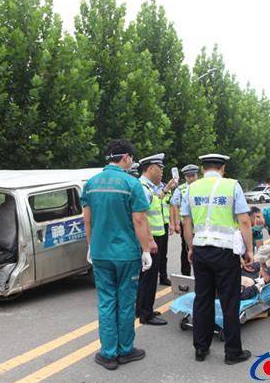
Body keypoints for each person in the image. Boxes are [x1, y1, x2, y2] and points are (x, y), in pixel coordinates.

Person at [81, 139, 157, 370]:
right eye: (131, 158)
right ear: (125, 157)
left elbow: (87, 219)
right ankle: (125, 350)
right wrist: (146, 250)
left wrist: (90, 246)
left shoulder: (91, 184)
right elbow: (140, 220)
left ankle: (107, 353)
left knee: (106, 302)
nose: (131, 162)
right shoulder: (131, 184)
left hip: (101, 253)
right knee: (125, 302)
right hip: (126, 255)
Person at [181, 153, 253, 364]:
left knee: (202, 299)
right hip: (225, 251)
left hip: (201, 249)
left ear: (203, 169)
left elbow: (187, 223)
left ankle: (200, 349)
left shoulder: (191, 188)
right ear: (222, 168)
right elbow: (244, 221)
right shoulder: (232, 186)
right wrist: (249, 251)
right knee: (229, 301)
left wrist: (191, 248)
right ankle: (232, 353)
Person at [136, 153, 177, 325]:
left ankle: (142, 309)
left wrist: (166, 188)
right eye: (160, 169)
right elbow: (141, 217)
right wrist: (149, 240)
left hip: (154, 237)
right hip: (149, 239)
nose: (161, 172)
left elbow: (157, 200)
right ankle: (146, 314)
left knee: (147, 276)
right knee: (149, 277)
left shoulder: (150, 187)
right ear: (151, 168)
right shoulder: (143, 188)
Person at [170, 164, 199, 276]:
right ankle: (185, 274)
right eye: (188, 176)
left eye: (193, 176)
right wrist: (177, 223)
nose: (191, 178)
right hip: (186, 224)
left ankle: (200, 273)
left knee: (201, 249)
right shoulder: (180, 189)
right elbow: (175, 205)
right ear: (185, 177)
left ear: (197, 175)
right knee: (186, 248)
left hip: (200, 224)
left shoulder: (203, 186)